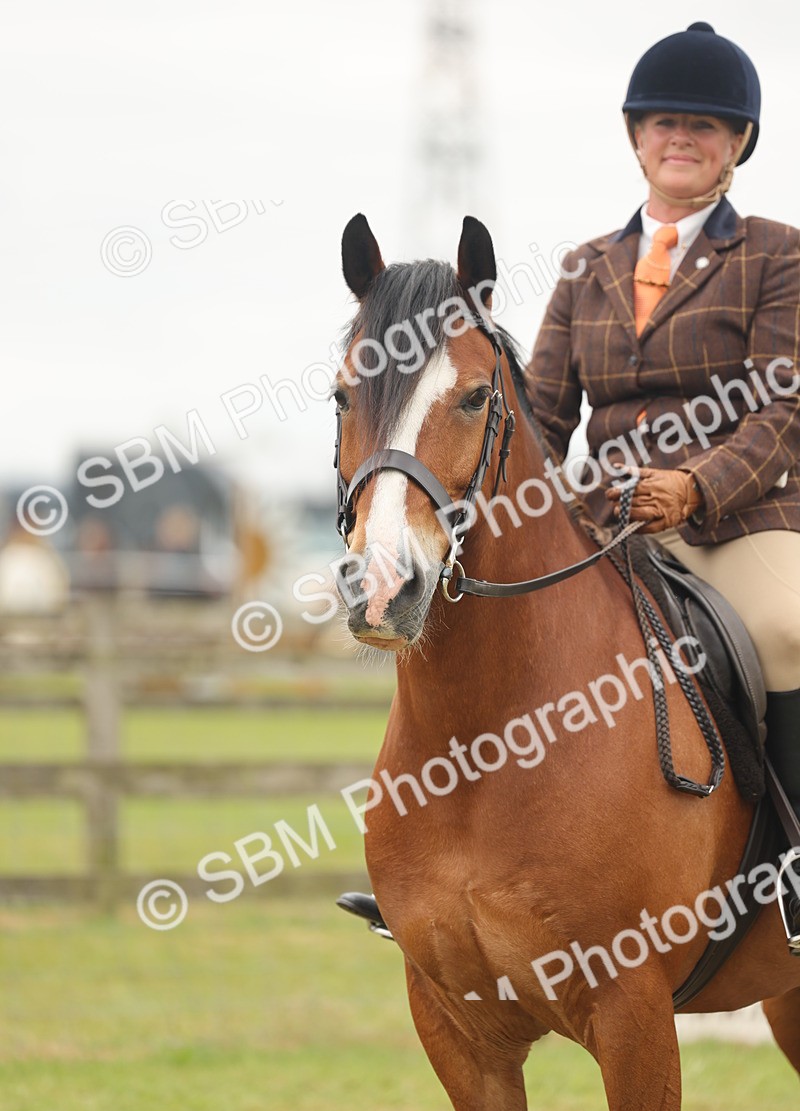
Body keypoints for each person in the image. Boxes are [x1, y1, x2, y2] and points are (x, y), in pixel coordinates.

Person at [339, 22, 800, 952]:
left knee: (789, 634)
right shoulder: (588, 267)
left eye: (707, 126)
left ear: (738, 144)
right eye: (666, 122)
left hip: (740, 519)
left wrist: (696, 488)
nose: (683, 139)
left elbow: (779, 409)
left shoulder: (778, 255)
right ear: (637, 137)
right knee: (476, 624)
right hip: (606, 518)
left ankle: (792, 872)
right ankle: (424, 870)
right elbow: (538, 414)